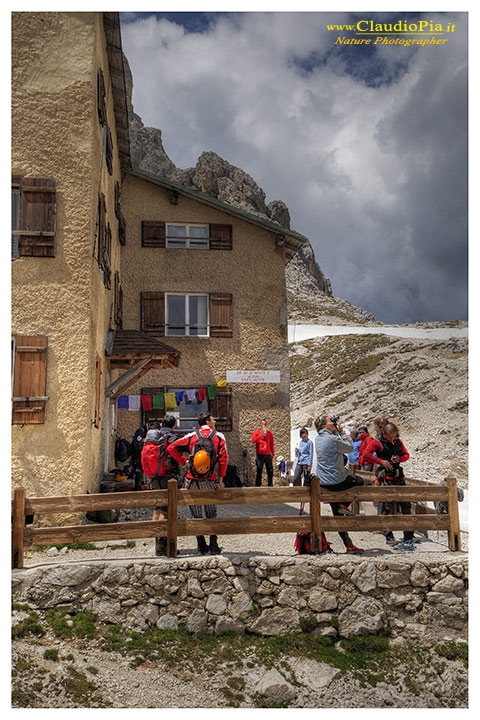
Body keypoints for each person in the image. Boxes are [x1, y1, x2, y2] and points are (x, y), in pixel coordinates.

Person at [167, 411, 228, 555]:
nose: (214, 421)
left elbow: (171, 448)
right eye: (213, 419)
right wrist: (220, 480)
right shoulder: (219, 437)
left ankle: (201, 545)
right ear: (207, 421)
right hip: (209, 481)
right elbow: (224, 459)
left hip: (192, 480)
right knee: (211, 513)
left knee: (195, 514)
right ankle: (214, 545)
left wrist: (185, 461)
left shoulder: (191, 436)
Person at [314, 414, 364, 554]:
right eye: (331, 421)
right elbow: (349, 448)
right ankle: (344, 504)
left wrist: (336, 430)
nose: (334, 422)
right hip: (336, 480)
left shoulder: (318, 438)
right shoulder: (332, 438)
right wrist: (342, 432)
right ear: (324, 426)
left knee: (338, 515)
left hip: (323, 482)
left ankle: (349, 545)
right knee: (360, 481)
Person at [362, 421, 413, 550]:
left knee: (405, 505)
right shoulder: (377, 442)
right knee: (386, 506)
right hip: (385, 477)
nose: (392, 439)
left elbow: (406, 455)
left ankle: (408, 536)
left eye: (394, 437)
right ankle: (388, 536)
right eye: (390, 437)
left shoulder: (398, 441)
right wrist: (381, 461)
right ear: (384, 434)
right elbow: (366, 454)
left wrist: (399, 459)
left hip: (398, 476)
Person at [146, 416, 180, 557]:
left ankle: (156, 543)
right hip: (168, 476)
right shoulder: (173, 437)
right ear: (174, 426)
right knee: (166, 510)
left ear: (161, 424)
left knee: (157, 508)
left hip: (154, 476)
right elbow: (175, 453)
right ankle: (164, 546)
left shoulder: (154, 437)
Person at [251, 419, 275, 487]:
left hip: (268, 455)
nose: (264, 425)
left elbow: (271, 444)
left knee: (270, 471)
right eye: (262, 424)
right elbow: (253, 440)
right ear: (260, 424)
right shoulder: (256, 432)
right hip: (260, 455)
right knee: (259, 471)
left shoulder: (269, 433)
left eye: (265, 424)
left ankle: (270, 485)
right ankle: (258, 486)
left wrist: (273, 454)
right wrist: (260, 434)